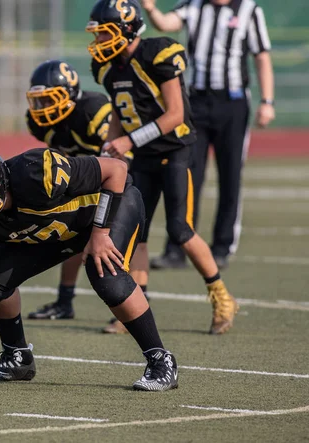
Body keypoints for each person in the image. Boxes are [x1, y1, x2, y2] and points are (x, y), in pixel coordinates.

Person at [0, 144, 178, 393]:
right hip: (57, 230)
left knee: (105, 274)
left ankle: (161, 360)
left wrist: (101, 232)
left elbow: (117, 170)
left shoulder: (36, 172)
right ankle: (18, 358)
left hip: (108, 210)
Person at [86, 0, 238, 334]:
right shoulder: (109, 68)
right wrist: (111, 148)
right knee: (137, 235)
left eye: (105, 33)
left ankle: (221, 295)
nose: (98, 42)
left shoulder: (158, 53)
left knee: (180, 230)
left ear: (126, 30)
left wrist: (128, 141)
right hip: (142, 156)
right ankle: (136, 305)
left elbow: (175, 115)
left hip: (175, 151)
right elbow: (119, 111)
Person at [141, 0, 275, 270]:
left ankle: (222, 246)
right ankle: (177, 247)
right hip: (197, 103)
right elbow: (167, 23)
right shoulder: (194, 5)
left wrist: (267, 101)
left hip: (233, 103)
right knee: (187, 174)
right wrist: (151, 9)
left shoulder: (249, 9)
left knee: (230, 175)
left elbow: (261, 56)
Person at [25, 60, 133, 332]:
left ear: (70, 93)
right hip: (85, 186)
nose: (43, 108)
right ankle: (64, 301)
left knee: (115, 243)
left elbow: (121, 158)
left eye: (50, 99)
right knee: (70, 233)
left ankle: (129, 304)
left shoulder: (93, 110)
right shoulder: (42, 123)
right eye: (39, 101)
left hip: (117, 183)